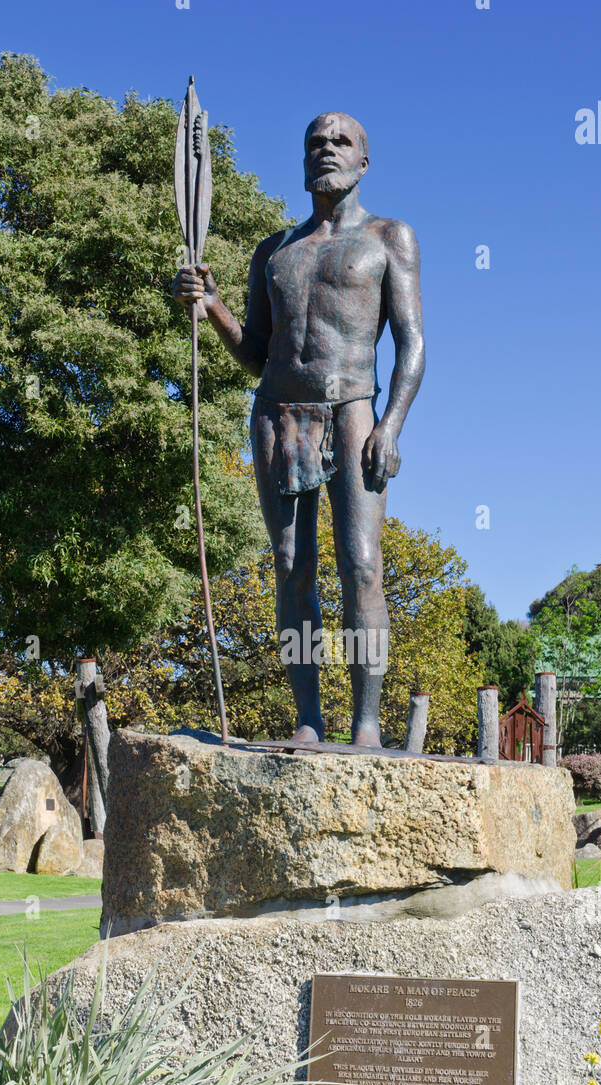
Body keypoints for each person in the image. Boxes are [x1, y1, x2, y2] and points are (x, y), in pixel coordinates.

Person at [173, 112, 425, 747]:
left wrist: (390, 425)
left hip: (353, 410)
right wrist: (212, 305)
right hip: (278, 414)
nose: (328, 151)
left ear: (363, 162)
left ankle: (366, 724)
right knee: (292, 568)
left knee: (362, 566)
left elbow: (413, 343)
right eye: (317, 142)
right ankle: (308, 720)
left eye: (342, 143)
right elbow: (257, 353)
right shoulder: (275, 251)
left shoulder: (389, 237)